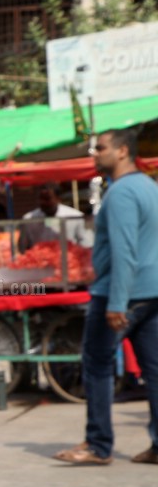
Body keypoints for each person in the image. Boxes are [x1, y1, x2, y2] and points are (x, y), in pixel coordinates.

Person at [54, 127, 158, 466]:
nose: (94, 155)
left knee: (97, 365)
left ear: (123, 151)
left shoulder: (123, 192)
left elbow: (125, 251)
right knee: (154, 369)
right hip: (151, 291)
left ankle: (98, 444)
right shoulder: (148, 186)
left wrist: (116, 302)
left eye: (100, 148)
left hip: (120, 293)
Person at [18, 182, 93, 251]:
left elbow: (85, 243)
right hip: (39, 262)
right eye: (41, 198)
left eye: (47, 199)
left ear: (58, 199)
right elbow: (23, 246)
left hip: (67, 261)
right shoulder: (29, 219)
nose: (43, 202)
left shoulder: (75, 217)